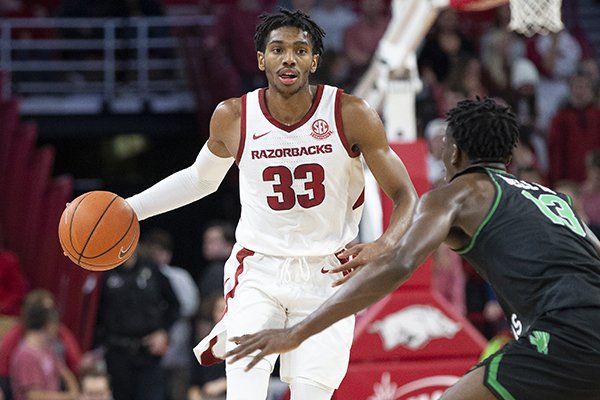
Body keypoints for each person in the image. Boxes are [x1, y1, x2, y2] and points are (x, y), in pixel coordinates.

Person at [124, 8, 418, 400]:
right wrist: (131, 209)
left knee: (311, 394)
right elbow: (200, 179)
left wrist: (384, 244)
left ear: (314, 60)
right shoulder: (233, 115)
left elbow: (405, 195)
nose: (289, 58)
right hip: (259, 270)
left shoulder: (351, 113)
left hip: (329, 274)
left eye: (300, 50)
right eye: (277, 49)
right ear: (262, 59)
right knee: (244, 391)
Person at [226, 97, 600, 400]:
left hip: (565, 329)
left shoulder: (458, 193)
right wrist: (383, 247)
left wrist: (298, 332)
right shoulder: (553, 198)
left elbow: (401, 265)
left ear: (453, 154)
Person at [93, 248, 180, 400]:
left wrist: (163, 332)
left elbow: (174, 305)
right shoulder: (105, 272)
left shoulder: (152, 269)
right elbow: (95, 313)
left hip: (148, 353)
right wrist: (93, 347)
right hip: (117, 353)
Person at [142, 228, 200, 400]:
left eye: (162, 251)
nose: (158, 256)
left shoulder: (179, 276)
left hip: (178, 336)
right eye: (154, 251)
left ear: (168, 254)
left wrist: (168, 317)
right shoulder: (144, 275)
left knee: (178, 387)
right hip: (150, 340)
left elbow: (191, 305)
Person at [0, 289, 81, 400]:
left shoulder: (48, 348)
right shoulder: (26, 354)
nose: (58, 329)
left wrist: (74, 391)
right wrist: (68, 397)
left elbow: (65, 370)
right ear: (49, 326)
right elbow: (33, 395)